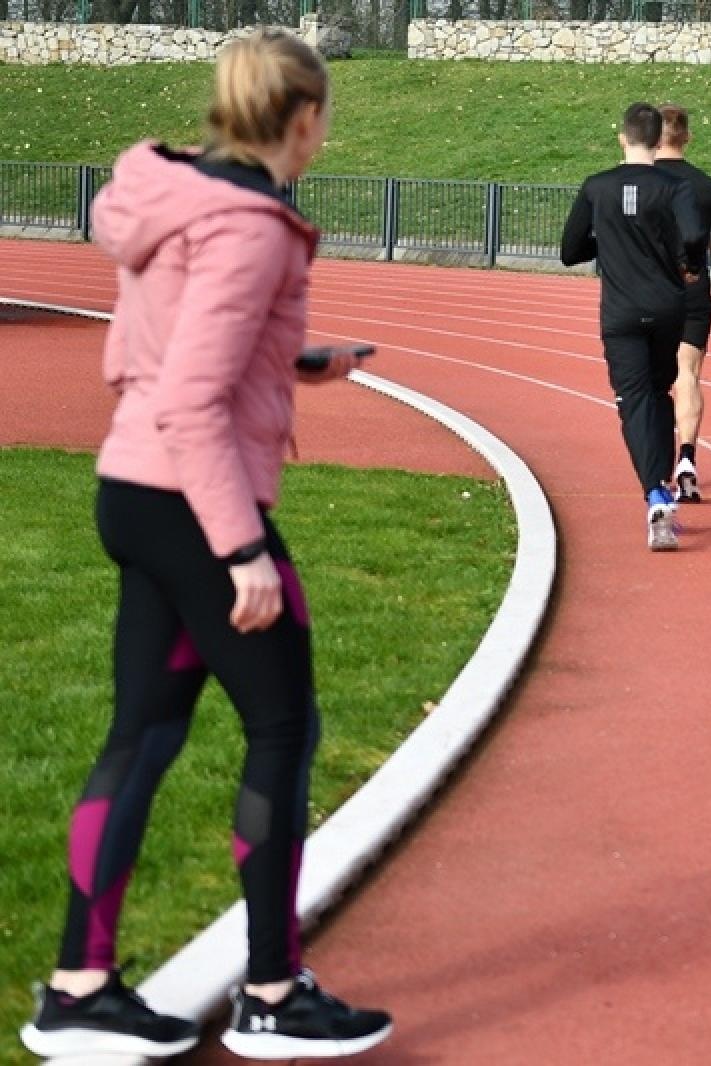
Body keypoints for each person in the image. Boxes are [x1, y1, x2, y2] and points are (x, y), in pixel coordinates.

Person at [19, 29, 392, 1062]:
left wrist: (292, 358)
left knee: (139, 737)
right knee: (282, 727)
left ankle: (77, 986)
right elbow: (192, 396)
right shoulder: (251, 226)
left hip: (132, 485)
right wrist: (242, 551)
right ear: (306, 119)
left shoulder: (168, 193)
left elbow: (177, 346)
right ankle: (272, 990)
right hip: (193, 498)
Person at [561, 102, 707, 551]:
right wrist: (688, 266)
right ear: (659, 137)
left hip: (621, 313)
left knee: (633, 399)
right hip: (668, 309)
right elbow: (694, 234)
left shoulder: (596, 187)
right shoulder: (674, 186)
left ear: (622, 137)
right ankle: (660, 480)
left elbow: (570, 249)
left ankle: (655, 493)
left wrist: (607, 242)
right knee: (659, 393)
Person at [655, 104, 711, 503]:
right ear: (687, 137)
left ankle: (656, 464)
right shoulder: (705, 186)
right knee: (687, 374)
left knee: (651, 382)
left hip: (647, 291)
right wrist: (704, 240)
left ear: (652, 137)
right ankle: (687, 456)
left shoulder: (637, 182)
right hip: (693, 289)